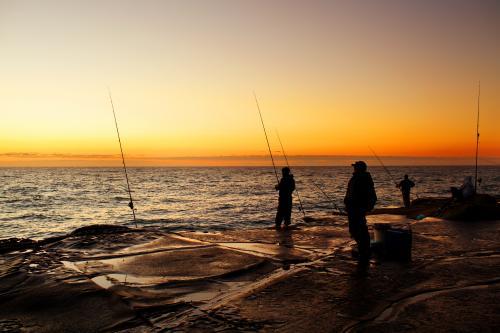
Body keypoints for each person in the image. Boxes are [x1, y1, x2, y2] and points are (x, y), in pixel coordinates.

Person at [344, 161, 377, 268]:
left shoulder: (362, 179)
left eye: (355, 167)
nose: (354, 169)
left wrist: (364, 206)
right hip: (354, 208)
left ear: (359, 168)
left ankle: (364, 251)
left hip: (357, 208)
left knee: (358, 229)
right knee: (357, 229)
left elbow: (367, 195)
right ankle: (363, 249)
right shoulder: (359, 178)